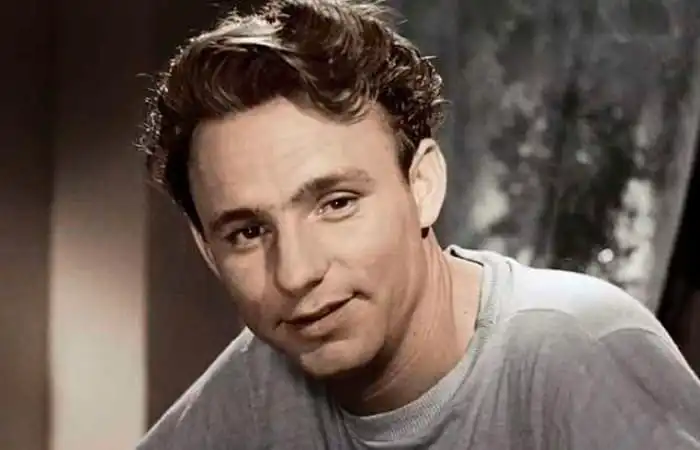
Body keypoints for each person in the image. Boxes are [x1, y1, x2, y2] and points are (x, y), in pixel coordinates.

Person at [136, 1, 700, 448]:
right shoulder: (260, 381)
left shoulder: (580, 350)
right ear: (208, 251)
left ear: (423, 184)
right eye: (248, 233)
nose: (296, 274)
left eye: (337, 203)